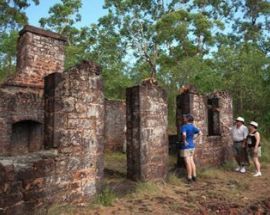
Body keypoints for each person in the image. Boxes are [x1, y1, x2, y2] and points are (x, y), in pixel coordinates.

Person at [180, 114, 201, 182]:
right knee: (191, 160)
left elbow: (184, 135)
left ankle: (189, 177)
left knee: (187, 161)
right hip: (192, 145)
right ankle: (194, 176)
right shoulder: (193, 126)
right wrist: (195, 138)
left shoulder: (184, 126)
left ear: (187, 119)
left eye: (185, 118)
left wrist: (184, 141)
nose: (184, 118)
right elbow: (200, 133)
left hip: (186, 146)